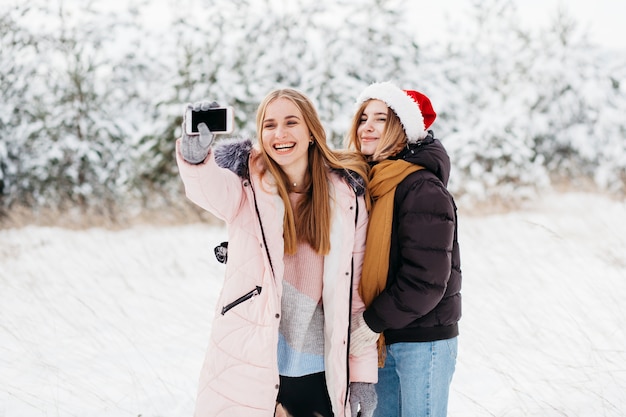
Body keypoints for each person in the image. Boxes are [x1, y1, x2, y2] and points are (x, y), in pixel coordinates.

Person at [176, 88, 379, 417]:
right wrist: (195, 158)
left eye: (290, 122)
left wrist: (363, 377)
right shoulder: (246, 186)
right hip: (255, 359)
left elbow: (356, 296)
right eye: (269, 125)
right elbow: (208, 189)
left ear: (311, 132)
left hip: (322, 368)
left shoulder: (346, 198)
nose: (279, 134)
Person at [345, 81, 462, 417]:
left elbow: (426, 279)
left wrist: (370, 323)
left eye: (380, 119)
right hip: (381, 337)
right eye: (363, 117)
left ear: (402, 128)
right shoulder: (367, 182)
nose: (367, 126)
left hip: (422, 341)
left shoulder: (422, 187)